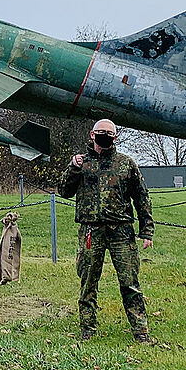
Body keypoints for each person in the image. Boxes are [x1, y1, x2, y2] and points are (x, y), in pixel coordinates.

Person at [58, 119, 155, 344]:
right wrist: (73, 168)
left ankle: (141, 331)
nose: (105, 136)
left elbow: (142, 198)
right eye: (101, 132)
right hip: (91, 232)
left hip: (121, 231)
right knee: (88, 282)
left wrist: (147, 231)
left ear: (115, 137)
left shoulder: (126, 164)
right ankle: (88, 328)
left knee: (130, 283)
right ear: (92, 134)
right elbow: (63, 191)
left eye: (109, 133)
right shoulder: (81, 163)